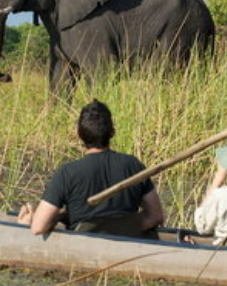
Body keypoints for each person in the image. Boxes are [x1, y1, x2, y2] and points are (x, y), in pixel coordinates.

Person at [18, 99, 164, 238]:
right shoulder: (134, 165)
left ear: (79, 134)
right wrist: (126, 229)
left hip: (83, 247)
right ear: (112, 132)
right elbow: (155, 216)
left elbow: (38, 227)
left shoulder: (67, 172)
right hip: (127, 245)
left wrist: (28, 222)